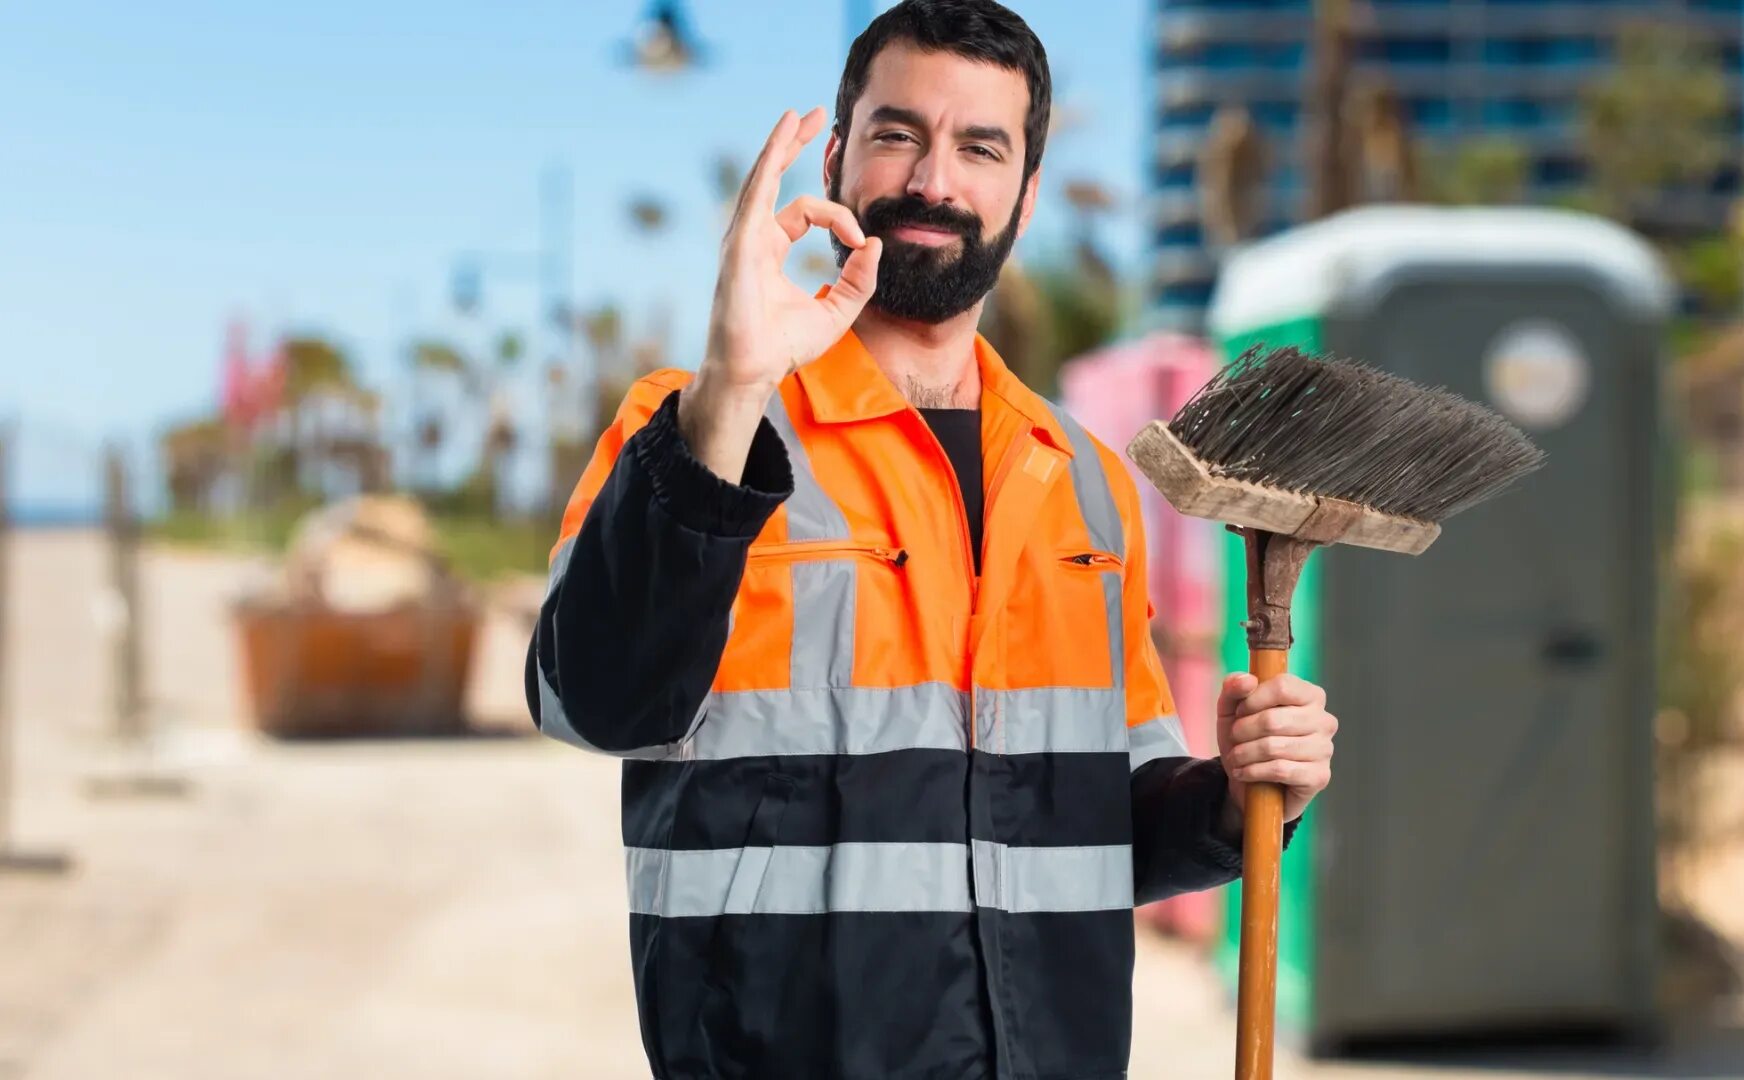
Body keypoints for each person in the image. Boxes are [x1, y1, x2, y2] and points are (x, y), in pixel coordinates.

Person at [527, 2, 1337, 1076]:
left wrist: (1237, 798)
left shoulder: (1086, 482)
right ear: (837, 156)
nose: (932, 180)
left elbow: (1100, 820)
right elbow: (588, 701)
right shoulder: (690, 434)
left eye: (980, 147)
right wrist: (729, 392)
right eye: (897, 133)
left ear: (1027, 193)